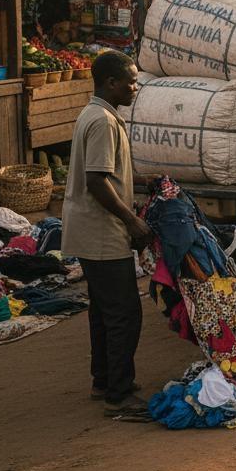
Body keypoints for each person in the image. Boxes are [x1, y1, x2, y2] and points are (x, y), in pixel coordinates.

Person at [63, 50, 152, 416]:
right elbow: (97, 181)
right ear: (111, 83)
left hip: (88, 229)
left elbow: (108, 174)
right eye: (131, 81)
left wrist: (143, 181)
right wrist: (132, 221)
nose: (135, 87)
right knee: (125, 314)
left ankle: (104, 380)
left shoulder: (97, 113)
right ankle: (119, 395)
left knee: (102, 311)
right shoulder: (102, 121)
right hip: (102, 233)